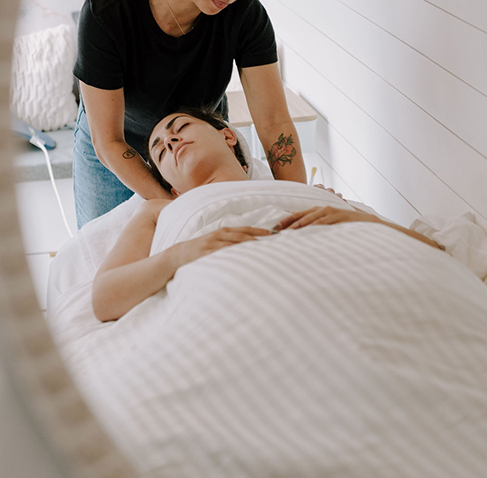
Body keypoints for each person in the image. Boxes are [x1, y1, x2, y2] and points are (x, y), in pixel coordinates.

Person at [73, 0, 307, 229]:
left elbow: (274, 123)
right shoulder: (110, 7)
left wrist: (300, 205)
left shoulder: (244, 13)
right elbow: (108, 141)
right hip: (117, 143)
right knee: (109, 255)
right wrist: (178, 207)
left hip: (199, 143)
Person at [92, 109, 444, 323]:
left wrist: (360, 220)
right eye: (160, 150)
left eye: (179, 128)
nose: (169, 141)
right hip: (235, 297)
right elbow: (104, 299)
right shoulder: (161, 211)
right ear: (173, 190)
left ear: (228, 135)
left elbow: (434, 252)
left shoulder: (306, 195)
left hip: (349, 282)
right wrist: (180, 254)